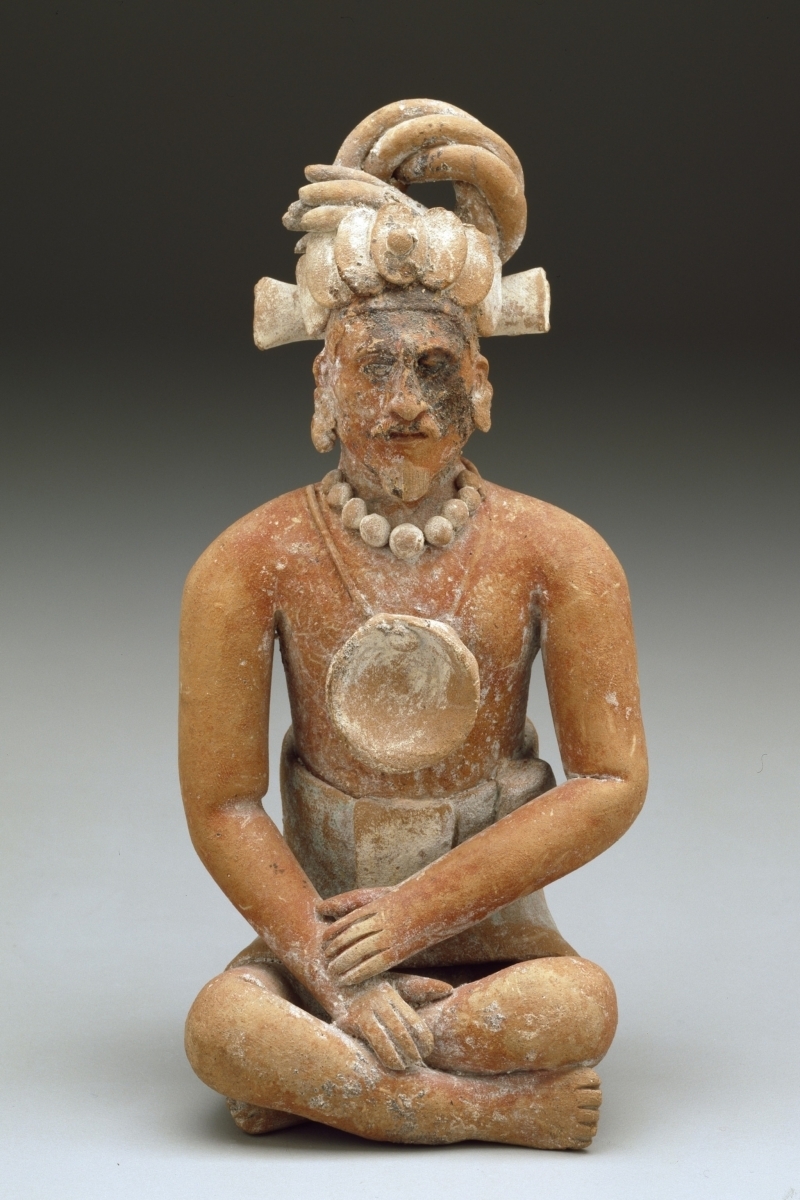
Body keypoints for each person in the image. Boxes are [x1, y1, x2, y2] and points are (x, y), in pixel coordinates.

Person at [180, 100, 647, 1149]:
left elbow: (609, 780)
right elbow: (223, 802)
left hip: (488, 932)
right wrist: (336, 972)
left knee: (581, 1005)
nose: (403, 402)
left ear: (480, 387)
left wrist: (415, 915)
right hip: (323, 937)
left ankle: (325, 1081)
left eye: (435, 368)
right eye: (372, 368)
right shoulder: (247, 563)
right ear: (323, 386)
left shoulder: (559, 555)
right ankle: (485, 1109)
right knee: (219, 1026)